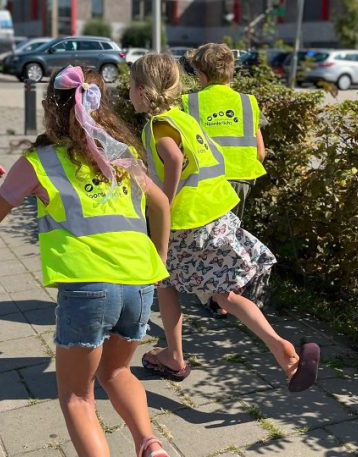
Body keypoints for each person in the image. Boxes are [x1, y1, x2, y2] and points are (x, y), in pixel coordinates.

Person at [0, 66, 172, 457]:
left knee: (77, 398)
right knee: (117, 372)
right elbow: (162, 204)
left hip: (87, 288)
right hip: (139, 283)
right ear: (104, 108)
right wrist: (158, 266)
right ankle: (151, 445)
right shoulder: (124, 156)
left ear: (51, 107)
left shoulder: (38, 162)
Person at [128, 53, 320, 393]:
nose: (128, 92)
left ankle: (175, 356)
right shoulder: (182, 118)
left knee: (164, 282)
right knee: (223, 293)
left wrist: (163, 206)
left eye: (130, 85)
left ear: (143, 91)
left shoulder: (157, 126)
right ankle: (283, 351)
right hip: (215, 214)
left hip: (187, 224)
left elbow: (173, 159)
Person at [182, 43, 268, 318]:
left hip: (208, 182)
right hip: (242, 179)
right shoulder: (248, 102)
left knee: (208, 241)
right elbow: (261, 152)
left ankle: (219, 297)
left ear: (201, 74)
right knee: (228, 237)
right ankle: (230, 292)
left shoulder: (190, 103)